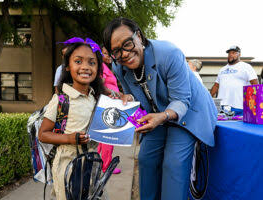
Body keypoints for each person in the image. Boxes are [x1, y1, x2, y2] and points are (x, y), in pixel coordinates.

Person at [103, 17, 217, 200]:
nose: (124, 54)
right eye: (116, 51)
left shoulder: (169, 53)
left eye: (127, 44)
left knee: (173, 162)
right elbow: (136, 96)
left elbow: (181, 100)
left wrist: (162, 116)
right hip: (158, 115)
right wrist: (126, 98)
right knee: (146, 158)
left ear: (139, 36)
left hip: (189, 112)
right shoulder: (118, 66)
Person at [38, 38, 105, 200]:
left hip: (91, 162)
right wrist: (69, 138)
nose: (85, 67)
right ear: (67, 67)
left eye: (92, 62)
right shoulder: (61, 99)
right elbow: (43, 134)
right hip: (67, 163)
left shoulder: (95, 98)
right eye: (78, 61)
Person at [210, 45, 258, 115]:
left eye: (233, 53)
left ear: (239, 54)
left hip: (239, 106)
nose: (230, 55)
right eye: (229, 53)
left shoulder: (246, 67)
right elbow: (216, 86)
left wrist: (256, 103)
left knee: (238, 125)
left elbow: (255, 84)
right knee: (220, 125)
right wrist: (208, 98)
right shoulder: (222, 69)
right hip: (222, 106)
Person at [97, 46, 121, 174]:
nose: (109, 56)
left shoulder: (107, 67)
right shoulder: (100, 66)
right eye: (105, 54)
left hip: (111, 103)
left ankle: (99, 161)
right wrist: (110, 93)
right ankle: (106, 167)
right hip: (108, 104)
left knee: (103, 137)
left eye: (110, 54)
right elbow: (100, 84)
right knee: (108, 137)